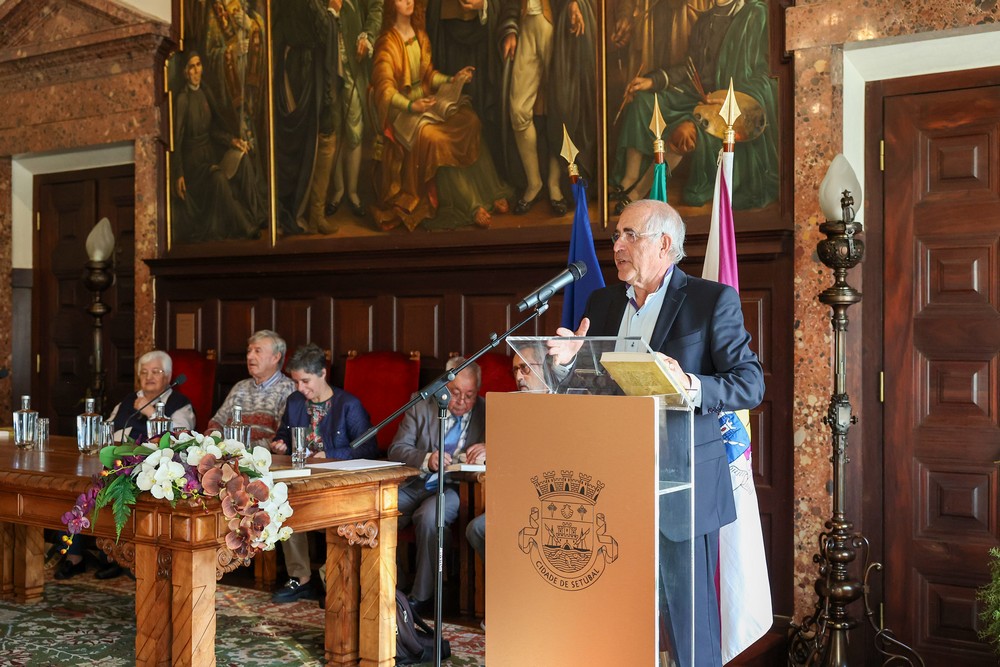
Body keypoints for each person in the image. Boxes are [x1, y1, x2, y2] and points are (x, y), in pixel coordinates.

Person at [549, 199, 764, 667]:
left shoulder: (711, 300)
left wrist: (688, 383)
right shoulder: (602, 303)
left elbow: (750, 382)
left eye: (629, 235)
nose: (617, 246)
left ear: (664, 244)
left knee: (690, 628)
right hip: (613, 488)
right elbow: (594, 385)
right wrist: (567, 365)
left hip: (684, 486)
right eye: (615, 237)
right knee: (619, 619)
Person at [612, 0, 778, 211]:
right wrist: (652, 81)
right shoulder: (704, 21)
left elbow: (767, 77)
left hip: (728, 104)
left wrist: (729, 97)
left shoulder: (756, 15)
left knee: (683, 134)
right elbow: (689, 69)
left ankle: (638, 193)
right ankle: (629, 179)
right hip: (696, 96)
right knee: (644, 102)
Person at [54, 350, 197, 581]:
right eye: (144, 372)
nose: (149, 377)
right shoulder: (128, 400)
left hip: (153, 469)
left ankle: (117, 558)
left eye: (156, 372)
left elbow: (182, 437)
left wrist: (151, 412)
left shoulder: (180, 403)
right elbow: (107, 429)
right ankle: (74, 556)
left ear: (168, 376)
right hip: (116, 461)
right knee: (76, 485)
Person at [370, 0, 512, 231]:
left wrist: (453, 79)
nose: (408, 1)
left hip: (427, 104)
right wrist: (411, 106)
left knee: (469, 120)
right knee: (436, 139)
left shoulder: (420, 35)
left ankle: (490, 190)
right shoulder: (387, 43)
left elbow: (429, 75)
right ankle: (471, 204)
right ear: (390, 5)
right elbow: (384, 91)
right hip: (404, 113)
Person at [270, 343, 379, 602]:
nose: (300, 388)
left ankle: (331, 576)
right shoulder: (295, 401)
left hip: (336, 480)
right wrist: (280, 442)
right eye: (296, 382)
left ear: (322, 374)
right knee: (284, 505)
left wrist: (329, 454)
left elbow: (369, 447)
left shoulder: (348, 404)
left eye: (305, 381)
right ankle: (301, 577)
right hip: (301, 476)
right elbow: (285, 432)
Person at [388, 356, 486, 616]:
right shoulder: (421, 404)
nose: (462, 402)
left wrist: (490, 450)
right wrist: (426, 458)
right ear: (444, 387)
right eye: (456, 393)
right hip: (415, 482)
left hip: (455, 489)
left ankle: (421, 597)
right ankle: (392, 585)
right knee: (378, 513)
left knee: (431, 517)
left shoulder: (487, 412)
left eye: (470, 395)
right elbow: (397, 448)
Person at [498, 0, 597, 216]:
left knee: (560, 110)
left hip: (555, 25)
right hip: (525, 25)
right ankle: (534, 183)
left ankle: (554, 185)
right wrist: (510, 29)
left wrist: (573, 3)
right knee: (518, 110)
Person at [171, 50, 267, 242]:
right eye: (192, 67)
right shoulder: (182, 100)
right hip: (193, 166)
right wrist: (179, 173)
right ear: (184, 72)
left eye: (198, 65)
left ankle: (257, 215)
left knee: (242, 157)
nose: (196, 71)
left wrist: (232, 141)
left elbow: (214, 129)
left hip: (210, 155)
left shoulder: (206, 91)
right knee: (218, 179)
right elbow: (177, 140)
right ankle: (246, 227)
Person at [324, 0, 383, 221]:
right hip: (324, 62)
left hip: (352, 64)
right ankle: (337, 191)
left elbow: (376, 8)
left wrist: (366, 36)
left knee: (354, 129)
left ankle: (352, 191)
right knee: (332, 128)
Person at [207, 330, 296, 450]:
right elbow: (216, 423)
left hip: (264, 459)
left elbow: (281, 437)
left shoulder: (288, 388)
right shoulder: (240, 387)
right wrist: (214, 445)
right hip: (229, 456)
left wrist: (244, 450)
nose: (249, 356)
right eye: (249, 351)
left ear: (276, 357)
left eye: (257, 351)